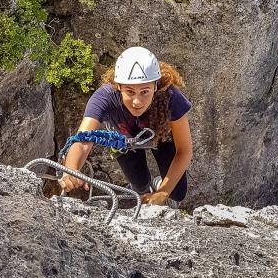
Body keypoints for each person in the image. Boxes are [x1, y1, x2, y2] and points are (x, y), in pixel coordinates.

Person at [59, 46, 192, 207]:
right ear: (119, 86)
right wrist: (71, 170)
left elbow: (184, 150)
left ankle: (158, 185)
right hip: (124, 144)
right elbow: (82, 139)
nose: (137, 101)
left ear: (155, 87)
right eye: (130, 91)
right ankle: (147, 192)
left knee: (177, 193)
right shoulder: (105, 97)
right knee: (139, 189)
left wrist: (162, 193)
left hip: (162, 139)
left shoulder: (170, 97)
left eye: (145, 91)